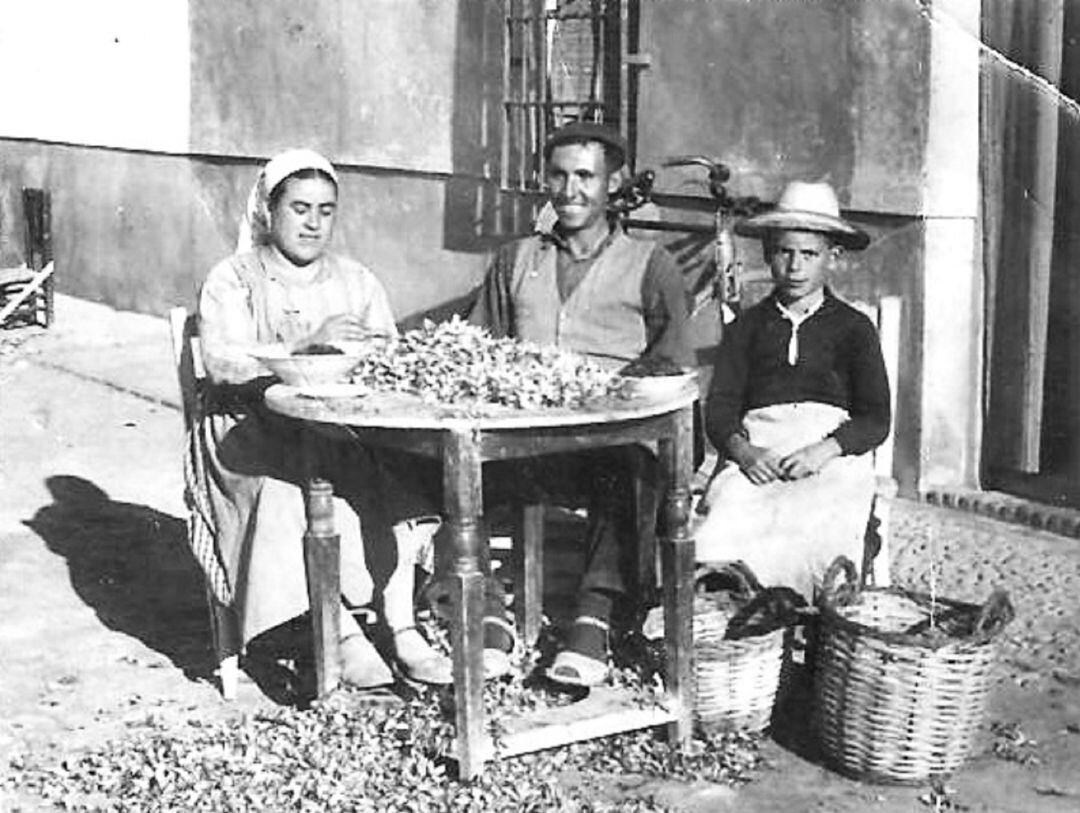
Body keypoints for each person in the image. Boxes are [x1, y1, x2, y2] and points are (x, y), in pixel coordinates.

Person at [194, 148, 451, 688]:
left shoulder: (356, 280)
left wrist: (377, 356)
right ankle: (341, 634)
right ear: (269, 211)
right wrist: (308, 344)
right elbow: (221, 363)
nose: (313, 223)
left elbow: (390, 355)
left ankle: (401, 627)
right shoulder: (234, 278)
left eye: (326, 210)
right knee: (294, 495)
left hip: (338, 427)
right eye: (300, 208)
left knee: (398, 480)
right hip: (248, 433)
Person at [469, 121, 692, 686]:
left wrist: (605, 393)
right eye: (559, 175)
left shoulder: (651, 264)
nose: (570, 190)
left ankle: (592, 619)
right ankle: (491, 610)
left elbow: (671, 359)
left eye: (586, 177)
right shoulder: (516, 259)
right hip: (524, 434)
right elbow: (479, 347)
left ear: (613, 183)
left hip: (608, 438)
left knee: (633, 471)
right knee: (465, 468)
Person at [696, 180, 890, 601]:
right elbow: (721, 408)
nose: (795, 267)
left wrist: (826, 450)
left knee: (821, 526)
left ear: (832, 258)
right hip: (762, 447)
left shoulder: (854, 329)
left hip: (830, 453)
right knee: (727, 520)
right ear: (768, 254)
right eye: (784, 252)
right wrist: (745, 452)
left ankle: (810, 616)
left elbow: (876, 418)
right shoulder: (747, 328)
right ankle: (742, 617)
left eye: (809, 254)